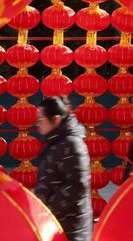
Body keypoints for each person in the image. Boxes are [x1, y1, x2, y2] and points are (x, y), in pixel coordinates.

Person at [34, 96, 92, 241]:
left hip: (71, 228)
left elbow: (77, 186)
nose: (38, 124)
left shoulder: (72, 144)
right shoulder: (55, 142)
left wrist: (48, 208)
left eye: (41, 120)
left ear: (56, 119)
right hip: (56, 224)